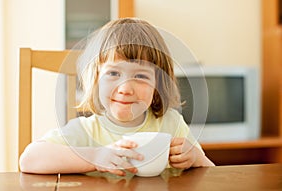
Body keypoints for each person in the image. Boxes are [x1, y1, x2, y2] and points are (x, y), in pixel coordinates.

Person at [19, 18, 214, 176]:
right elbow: (29, 159)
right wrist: (95, 156)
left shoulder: (172, 124)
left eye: (140, 76)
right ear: (95, 81)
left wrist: (196, 158)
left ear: (158, 85)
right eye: (113, 74)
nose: (125, 88)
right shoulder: (86, 131)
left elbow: (213, 175)